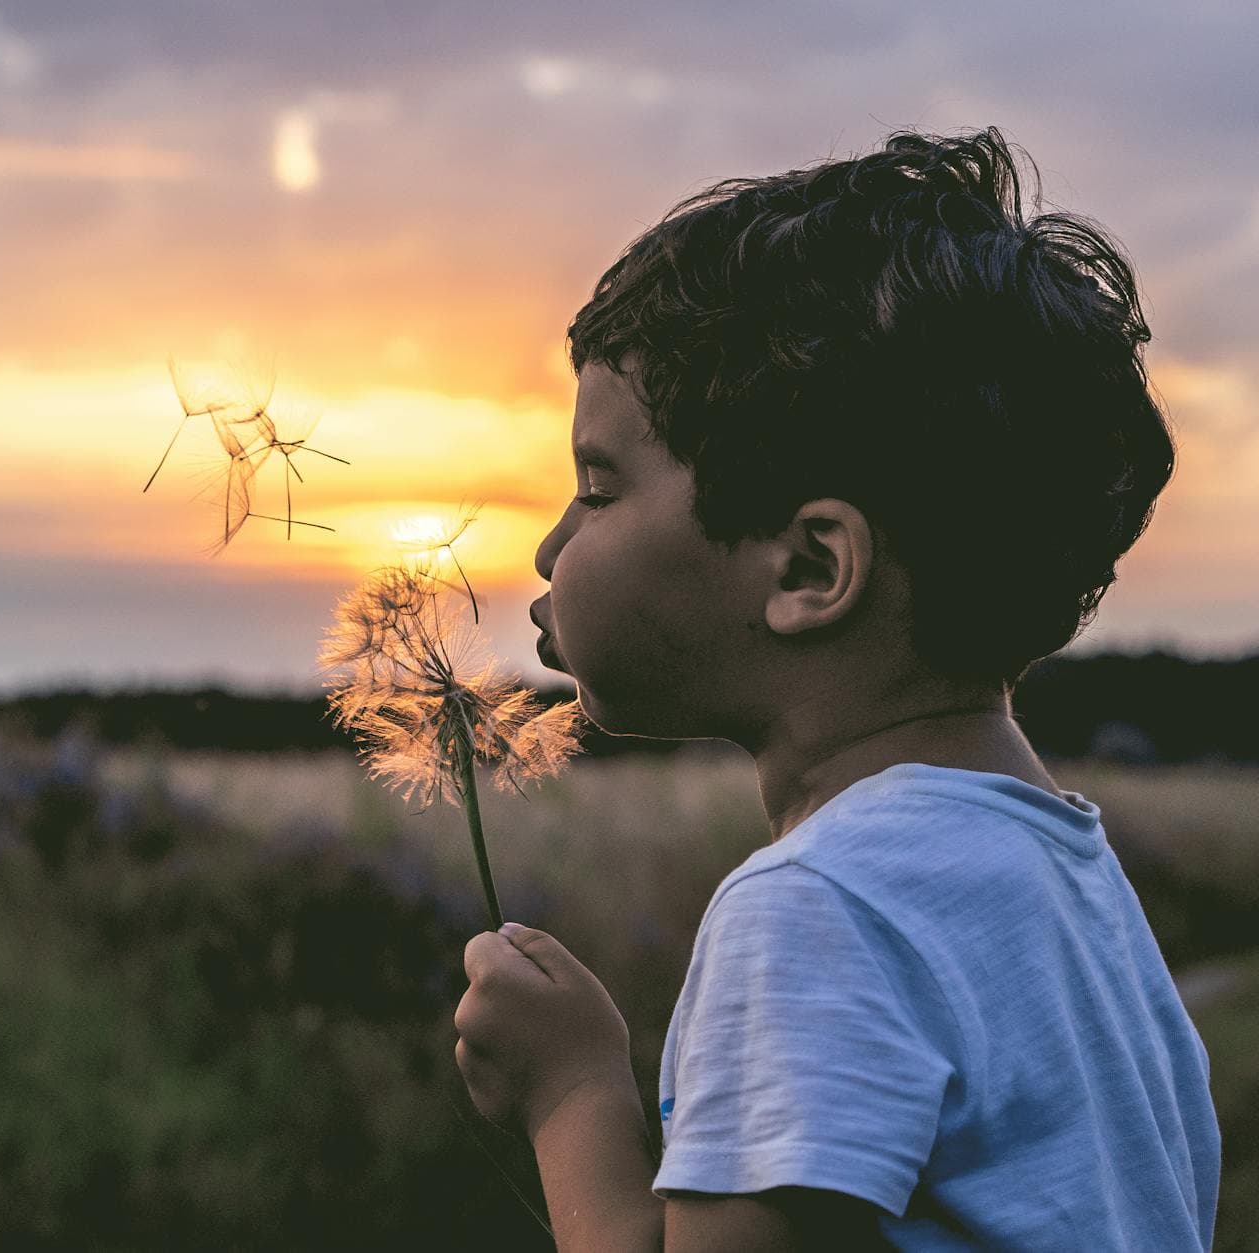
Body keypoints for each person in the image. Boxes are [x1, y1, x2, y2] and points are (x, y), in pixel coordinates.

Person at [453, 125, 1221, 1250]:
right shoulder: (1069, 892)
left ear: (810, 568)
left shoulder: (818, 908)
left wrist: (570, 1097)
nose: (549, 548)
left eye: (598, 486)